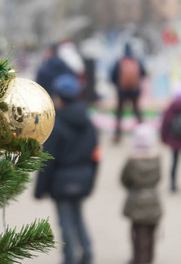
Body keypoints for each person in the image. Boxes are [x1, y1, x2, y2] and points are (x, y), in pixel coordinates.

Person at [34, 74, 100, 264]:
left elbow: (49, 160)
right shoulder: (88, 122)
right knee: (78, 217)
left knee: (65, 223)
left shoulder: (56, 125)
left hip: (61, 182)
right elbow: (95, 155)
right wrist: (91, 181)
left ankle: (70, 258)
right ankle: (87, 253)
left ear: (60, 98)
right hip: (82, 178)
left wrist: (40, 190)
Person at [121, 123, 162, 264]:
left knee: (138, 234)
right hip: (152, 200)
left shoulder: (132, 161)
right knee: (151, 233)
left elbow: (124, 179)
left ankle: (138, 259)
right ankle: (149, 258)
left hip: (136, 200)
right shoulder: (156, 159)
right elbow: (158, 178)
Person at [110, 43, 147, 143]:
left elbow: (112, 76)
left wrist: (118, 85)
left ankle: (117, 136)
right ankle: (143, 133)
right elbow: (144, 74)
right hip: (135, 91)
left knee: (119, 114)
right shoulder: (137, 61)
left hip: (122, 92)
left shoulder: (119, 62)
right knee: (137, 112)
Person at [160, 86, 181, 192]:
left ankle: (173, 184)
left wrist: (164, 139)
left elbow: (165, 124)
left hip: (174, 140)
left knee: (174, 162)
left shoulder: (171, 108)